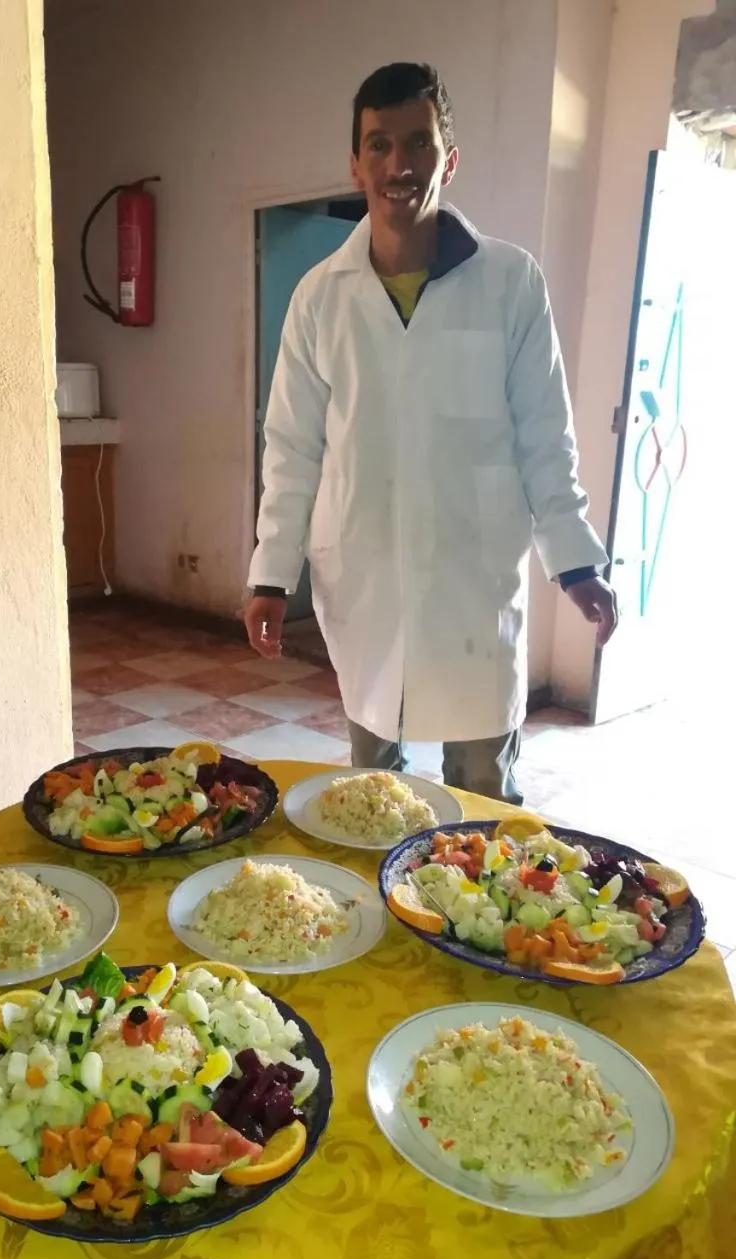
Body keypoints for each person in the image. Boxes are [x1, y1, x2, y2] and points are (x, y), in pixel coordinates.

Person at [243, 62, 617, 804]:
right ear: (355, 163)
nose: (397, 164)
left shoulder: (512, 283)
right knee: (372, 799)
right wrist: (269, 573)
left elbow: (545, 434)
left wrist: (574, 560)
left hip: (472, 580)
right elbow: (292, 449)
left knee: (480, 804)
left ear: (449, 158)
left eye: (418, 142)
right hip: (366, 572)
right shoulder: (320, 298)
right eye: (378, 144)